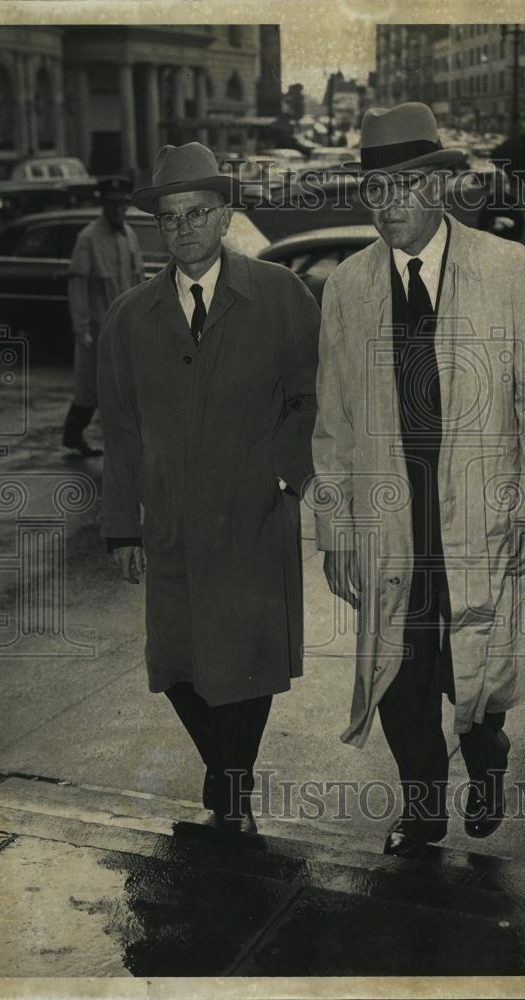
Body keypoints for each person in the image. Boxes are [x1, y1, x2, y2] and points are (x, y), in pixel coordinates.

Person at [312, 103, 525, 857]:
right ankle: (422, 808)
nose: (388, 208)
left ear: (440, 188)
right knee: (401, 672)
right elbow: (330, 423)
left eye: (403, 189)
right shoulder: (348, 287)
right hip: (392, 523)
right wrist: (334, 532)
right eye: (375, 192)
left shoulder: (505, 268)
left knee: (479, 666)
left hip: (480, 516)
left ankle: (487, 759)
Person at [97, 143, 320, 832]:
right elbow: (122, 430)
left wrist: (287, 478)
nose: (185, 228)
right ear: (156, 228)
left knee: (246, 662)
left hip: (254, 515)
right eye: (169, 218)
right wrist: (122, 526)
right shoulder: (131, 317)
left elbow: (313, 398)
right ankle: (232, 784)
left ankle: (230, 793)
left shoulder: (281, 294)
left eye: (198, 213)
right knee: (179, 662)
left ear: (225, 216)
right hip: (170, 522)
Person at [63, 176, 144, 457]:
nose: (120, 210)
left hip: (124, 328)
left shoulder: (129, 236)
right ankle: (75, 433)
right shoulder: (89, 238)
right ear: (104, 206)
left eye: (123, 204)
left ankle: (116, 441)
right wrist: (81, 327)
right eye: (114, 205)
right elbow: (79, 285)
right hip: (98, 328)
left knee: (120, 388)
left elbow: (138, 280)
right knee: (91, 388)